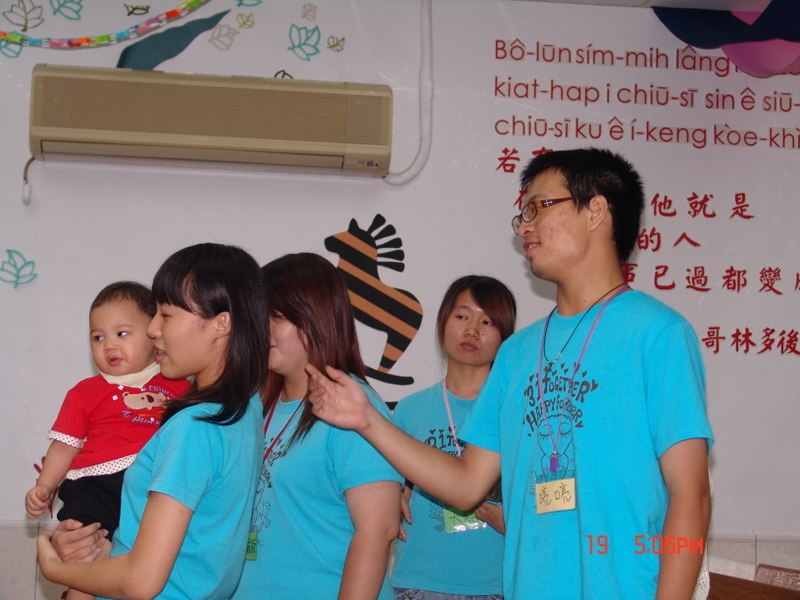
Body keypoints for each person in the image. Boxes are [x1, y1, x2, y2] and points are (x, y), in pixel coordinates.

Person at [306, 148, 714, 600]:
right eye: (523, 213)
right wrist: (368, 419)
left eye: (540, 207)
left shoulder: (657, 333)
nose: (525, 227)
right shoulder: (517, 353)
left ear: (596, 211)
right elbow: (466, 485)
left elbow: (690, 496)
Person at [37, 243, 269, 600]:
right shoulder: (246, 408)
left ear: (221, 323)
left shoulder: (196, 426)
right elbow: (187, 553)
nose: (152, 329)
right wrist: (94, 551)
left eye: (166, 315)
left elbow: (141, 581)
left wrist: (55, 569)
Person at [231, 252, 403, 600]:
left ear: (315, 318)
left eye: (277, 316)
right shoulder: (256, 405)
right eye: (258, 315)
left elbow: (378, 531)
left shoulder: (354, 405)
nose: (262, 328)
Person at [25, 281, 191, 600]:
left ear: (154, 334)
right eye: (97, 337)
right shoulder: (85, 392)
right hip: (95, 485)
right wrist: (44, 486)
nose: (109, 346)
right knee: (86, 557)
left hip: (150, 485)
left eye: (122, 333)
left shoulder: (180, 386)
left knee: (142, 555)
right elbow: (66, 445)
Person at [391, 275, 516, 600]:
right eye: (462, 316)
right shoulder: (410, 410)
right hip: (420, 582)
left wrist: (515, 521)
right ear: (442, 323)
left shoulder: (516, 411)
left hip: (498, 585)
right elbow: (394, 493)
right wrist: (391, 496)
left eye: (487, 322)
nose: (472, 330)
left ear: (506, 336)